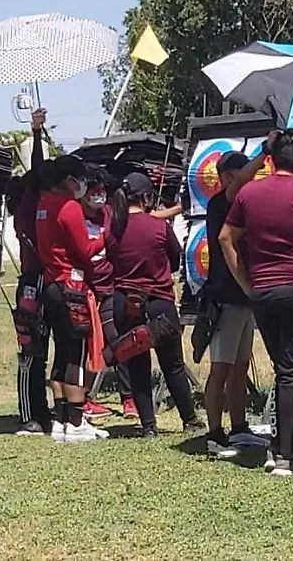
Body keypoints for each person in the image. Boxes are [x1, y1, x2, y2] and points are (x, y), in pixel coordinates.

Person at [220, 131, 293, 477]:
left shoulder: (250, 193)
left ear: (271, 158)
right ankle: (286, 453)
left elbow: (226, 238)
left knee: (285, 367)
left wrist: (246, 282)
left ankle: (280, 447)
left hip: (262, 292)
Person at [105, 172, 202, 437]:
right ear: (147, 197)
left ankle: (149, 426)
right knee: (173, 365)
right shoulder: (159, 227)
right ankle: (190, 419)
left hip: (125, 303)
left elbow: (112, 259)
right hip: (160, 303)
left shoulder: (114, 228)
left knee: (136, 366)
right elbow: (174, 259)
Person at [201, 149, 270, 457]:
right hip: (225, 298)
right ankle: (215, 433)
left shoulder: (245, 206)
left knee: (241, 366)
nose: (251, 177)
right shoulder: (220, 203)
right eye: (242, 172)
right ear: (227, 176)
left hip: (244, 298)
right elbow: (242, 180)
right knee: (221, 368)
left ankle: (239, 428)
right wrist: (265, 153)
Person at [35, 155, 108, 442]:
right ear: (70, 180)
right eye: (82, 181)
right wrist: (106, 237)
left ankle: (61, 418)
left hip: (51, 283)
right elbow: (85, 249)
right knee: (75, 354)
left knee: (61, 352)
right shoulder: (69, 207)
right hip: (71, 284)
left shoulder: (44, 205)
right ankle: (76, 421)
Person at [9, 109, 62, 436]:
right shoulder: (30, 205)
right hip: (33, 282)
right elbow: (39, 168)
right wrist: (37, 133)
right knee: (32, 352)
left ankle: (47, 411)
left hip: (46, 280)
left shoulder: (40, 203)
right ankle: (31, 413)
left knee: (52, 348)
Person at [78, 166, 116, 421]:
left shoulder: (109, 214)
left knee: (112, 341)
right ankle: (80, 399)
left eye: (102, 189)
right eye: (94, 190)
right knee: (82, 347)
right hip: (83, 290)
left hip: (109, 287)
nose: (99, 195)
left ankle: (128, 397)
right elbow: (83, 250)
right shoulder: (74, 215)